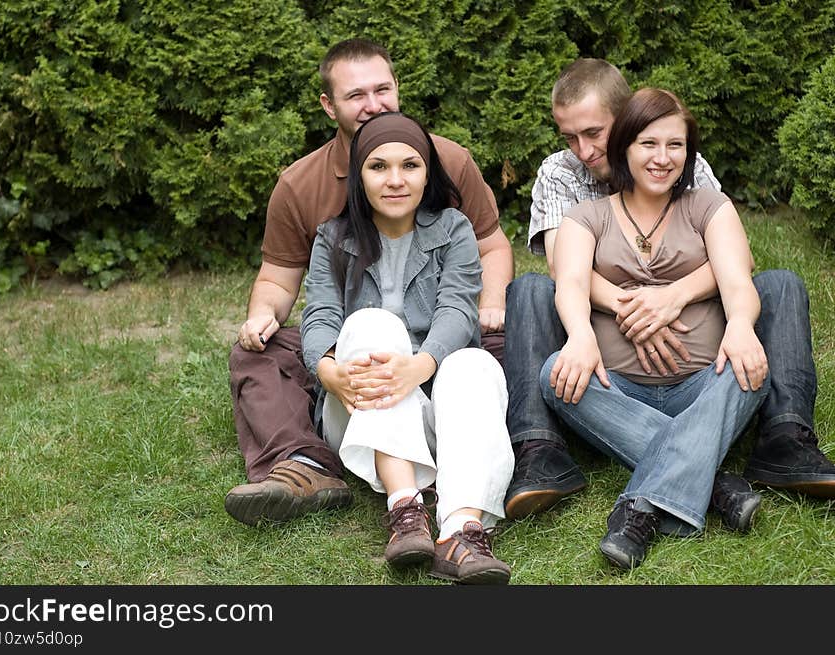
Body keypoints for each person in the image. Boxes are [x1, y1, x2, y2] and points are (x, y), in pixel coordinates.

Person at [504, 59, 835, 521]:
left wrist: (671, 296)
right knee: (531, 290)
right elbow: (566, 270)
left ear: (629, 117)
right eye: (569, 137)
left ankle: (784, 437)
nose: (582, 150)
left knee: (779, 285)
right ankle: (540, 449)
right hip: (607, 355)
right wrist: (633, 308)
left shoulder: (677, 161)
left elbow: (735, 259)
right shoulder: (560, 173)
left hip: (697, 362)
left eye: (594, 133)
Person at [225, 39, 513, 529]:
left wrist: (487, 307)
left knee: (499, 347)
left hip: (439, 334)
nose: (374, 103)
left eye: (383, 89)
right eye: (356, 95)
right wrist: (265, 317)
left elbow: (490, 245)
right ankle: (306, 463)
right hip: (355, 340)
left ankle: (519, 454)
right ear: (328, 105)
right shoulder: (302, 185)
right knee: (259, 352)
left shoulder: (446, 160)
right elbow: (282, 280)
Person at [541, 88, 770, 569]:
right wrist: (581, 338)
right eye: (649, 144)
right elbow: (571, 283)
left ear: (688, 153)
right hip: (617, 388)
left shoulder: (709, 206)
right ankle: (711, 481)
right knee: (554, 376)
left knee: (750, 368)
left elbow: (736, 279)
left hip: (704, 382)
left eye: (675, 145)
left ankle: (638, 508)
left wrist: (743, 326)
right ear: (625, 145)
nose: (663, 158)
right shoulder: (587, 217)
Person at [300, 111, 513, 583]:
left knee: (475, 363)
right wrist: (327, 368)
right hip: (358, 411)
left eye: (409, 166)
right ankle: (406, 512)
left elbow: (459, 308)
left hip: (435, 410)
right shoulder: (333, 238)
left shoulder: (453, 229)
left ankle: (461, 533)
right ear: (358, 176)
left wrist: (420, 365)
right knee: (371, 324)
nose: (395, 180)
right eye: (378, 167)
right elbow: (319, 315)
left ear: (427, 173)